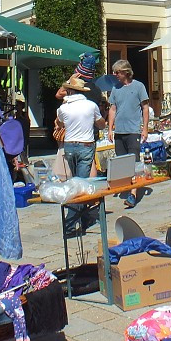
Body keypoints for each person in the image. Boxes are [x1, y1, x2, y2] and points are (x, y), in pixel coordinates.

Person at [56, 76, 105, 237]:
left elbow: (61, 123)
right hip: (86, 145)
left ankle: (83, 218)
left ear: (70, 91)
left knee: (75, 180)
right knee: (80, 185)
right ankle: (70, 224)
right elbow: (100, 124)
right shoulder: (91, 106)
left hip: (70, 145)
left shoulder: (63, 108)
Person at [107, 59, 150, 208]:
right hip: (119, 131)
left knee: (134, 162)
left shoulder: (139, 86)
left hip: (133, 131)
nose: (115, 75)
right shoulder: (115, 88)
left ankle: (133, 194)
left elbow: (145, 107)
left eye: (117, 72)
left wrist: (145, 128)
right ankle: (125, 187)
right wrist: (110, 129)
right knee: (122, 162)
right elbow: (112, 109)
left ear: (126, 72)